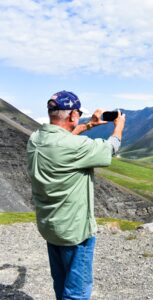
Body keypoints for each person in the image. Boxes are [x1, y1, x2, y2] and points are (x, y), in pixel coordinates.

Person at [27, 90, 125, 300]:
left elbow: (61, 139)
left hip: (50, 227)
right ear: (72, 115)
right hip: (74, 231)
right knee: (77, 293)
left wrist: (89, 125)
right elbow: (110, 149)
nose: (79, 117)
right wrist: (118, 126)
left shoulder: (35, 139)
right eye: (78, 114)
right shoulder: (75, 147)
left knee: (61, 283)